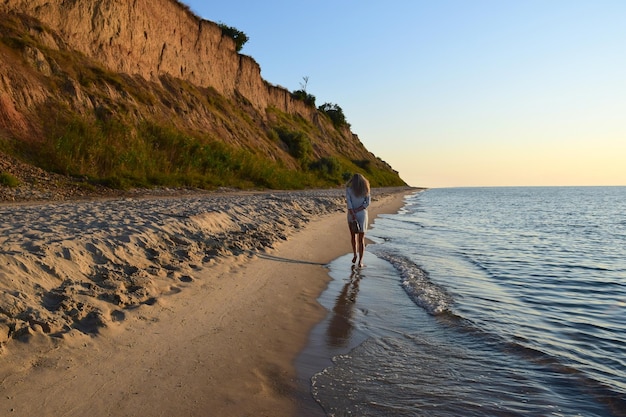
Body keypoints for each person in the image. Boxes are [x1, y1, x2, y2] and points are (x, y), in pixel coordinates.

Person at [346, 173, 371, 267]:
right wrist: (358, 210)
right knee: (361, 239)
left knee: (353, 237)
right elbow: (367, 203)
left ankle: (355, 255)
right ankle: (360, 261)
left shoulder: (349, 190)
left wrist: (353, 213)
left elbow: (349, 203)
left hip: (351, 214)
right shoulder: (366, 189)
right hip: (362, 214)